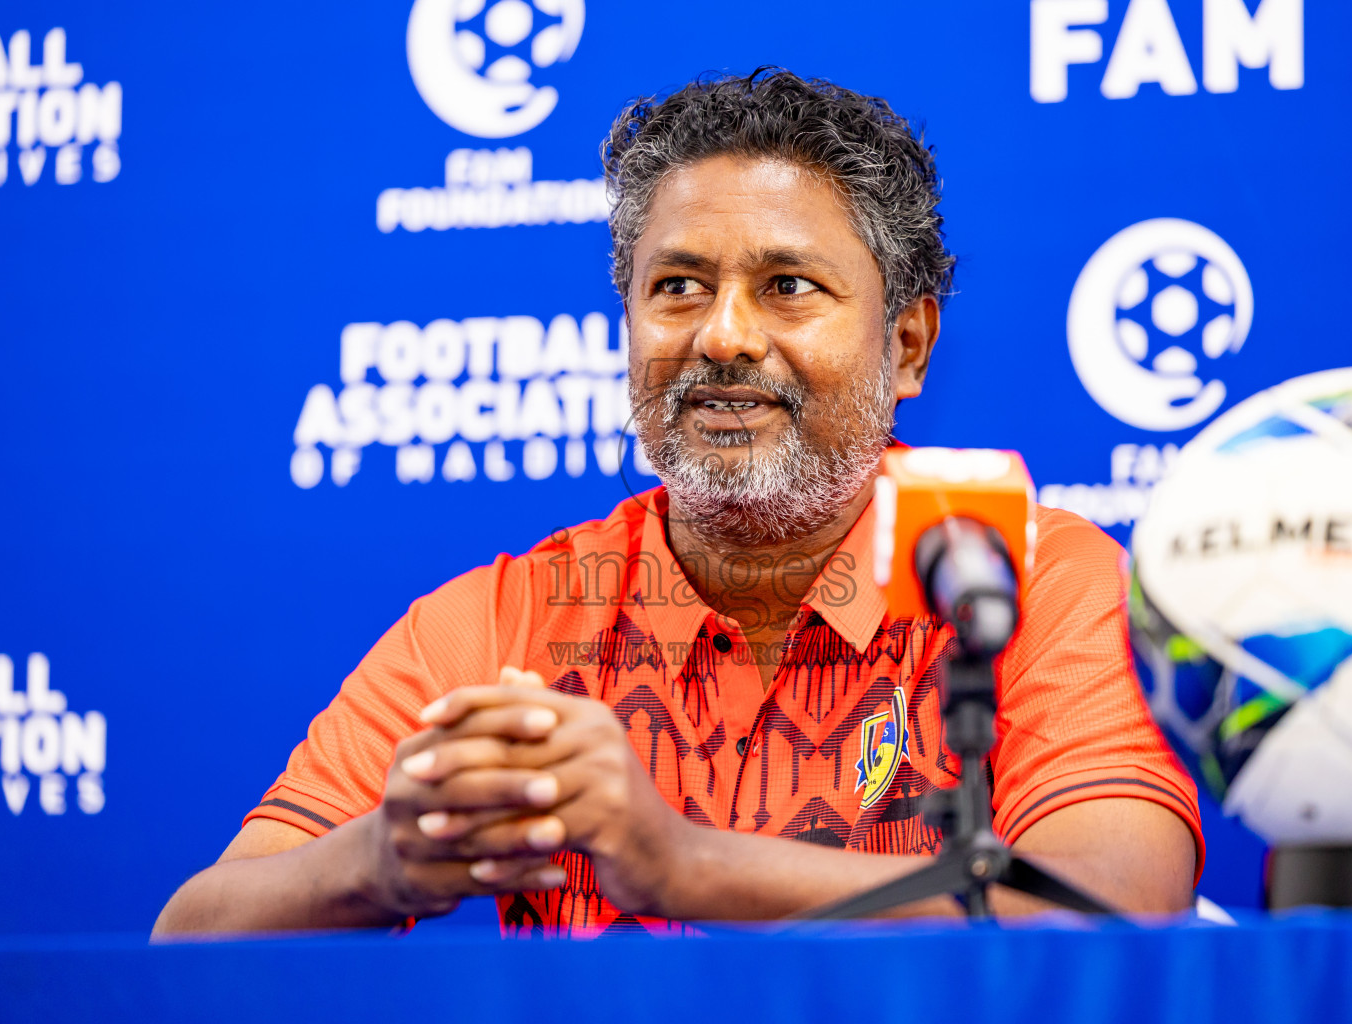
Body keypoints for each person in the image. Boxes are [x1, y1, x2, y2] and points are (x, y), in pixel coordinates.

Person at [154, 69, 1201, 938]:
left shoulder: (1021, 578)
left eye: (789, 285)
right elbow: (193, 936)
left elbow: (1114, 916)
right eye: (678, 287)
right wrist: (386, 859)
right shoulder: (509, 619)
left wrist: (684, 864)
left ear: (908, 346)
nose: (723, 335)